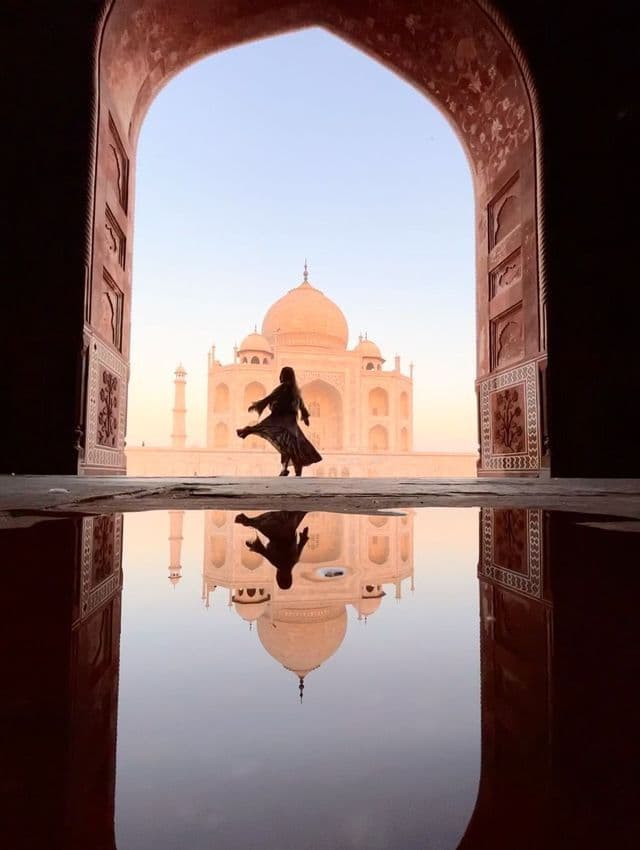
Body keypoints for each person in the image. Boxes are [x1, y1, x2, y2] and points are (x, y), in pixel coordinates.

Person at [236, 366, 322, 476]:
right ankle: (294, 471)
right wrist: (305, 417)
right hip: (289, 421)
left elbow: (271, 398)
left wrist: (257, 405)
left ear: (283, 376)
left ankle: (248, 431)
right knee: (293, 445)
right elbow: (301, 404)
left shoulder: (284, 387)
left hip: (282, 418)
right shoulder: (294, 390)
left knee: (273, 435)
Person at [235, 510, 309, 589]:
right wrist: (252, 545)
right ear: (279, 577)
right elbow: (262, 550)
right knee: (257, 524)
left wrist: (304, 535)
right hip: (277, 530)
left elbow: (302, 543)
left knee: (294, 513)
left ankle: (248, 521)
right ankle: (246, 521)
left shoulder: (294, 561)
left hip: (289, 527)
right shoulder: (278, 563)